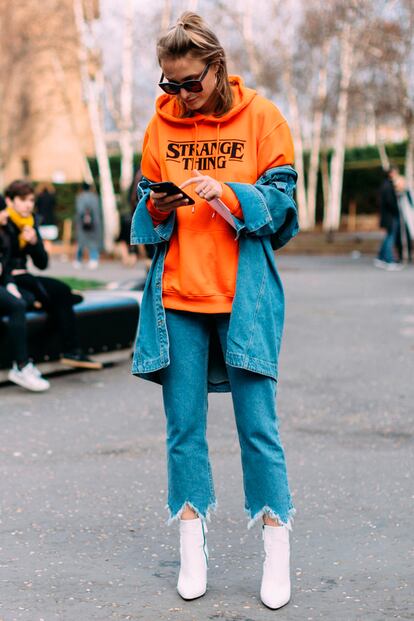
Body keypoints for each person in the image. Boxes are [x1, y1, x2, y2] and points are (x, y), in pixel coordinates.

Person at [130, 12, 298, 609]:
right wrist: (157, 209)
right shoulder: (160, 126)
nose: (178, 95)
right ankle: (191, 549)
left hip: (243, 298)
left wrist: (228, 192)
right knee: (183, 432)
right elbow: (140, 222)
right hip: (176, 296)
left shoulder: (262, 118)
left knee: (259, 430)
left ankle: (276, 546)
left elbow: (283, 209)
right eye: (167, 84)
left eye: (189, 83)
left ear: (216, 68)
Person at [4, 179, 102, 370]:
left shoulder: (32, 222)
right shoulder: (3, 222)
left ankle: (72, 351)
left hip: (25, 276)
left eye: (31, 200)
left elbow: (42, 264)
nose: (28, 204)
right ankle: (42, 300)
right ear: (10, 201)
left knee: (62, 290)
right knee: (53, 297)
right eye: (22, 200)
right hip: (7, 280)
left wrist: (34, 243)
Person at [0, 197, 49, 391]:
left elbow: (6, 267)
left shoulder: (4, 234)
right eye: (3, 210)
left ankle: (23, 364)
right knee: (18, 304)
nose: (7, 214)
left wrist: (10, 284)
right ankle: (20, 365)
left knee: (23, 299)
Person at [374, 166, 404, 271]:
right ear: (391, 173)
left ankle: (381, 258)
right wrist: (397, 210)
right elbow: (390, 202)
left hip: (388, 216)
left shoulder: (386, 185)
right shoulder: (388, 186)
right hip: (390, 216)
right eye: (396, 172)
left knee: (388, 237)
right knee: (390, 238)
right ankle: (389, 260)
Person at [74, 182, 102, 269]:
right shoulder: (95, 198)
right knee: (93, 241)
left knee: (81, 242)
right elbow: (98, 211)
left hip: (82, 224)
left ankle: (78, 260)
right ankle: (93, 260)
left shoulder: (80, 197)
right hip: (94, 224)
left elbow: (79, 211)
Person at [394, 173, 413, 263]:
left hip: (407, 218)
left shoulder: (407, 193)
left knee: (408, 236)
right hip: (399, 218)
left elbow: (411, 205)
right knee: (399, 237)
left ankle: (408, 254)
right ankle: (401, 255)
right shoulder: (396, 194)